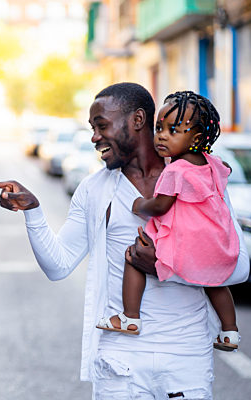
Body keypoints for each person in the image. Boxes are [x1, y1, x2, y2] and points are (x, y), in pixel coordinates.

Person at [0, 82, 249, 399]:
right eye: (93, 128)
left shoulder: (199, 181)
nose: (94, 137)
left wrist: (164, 266)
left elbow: (239, 267)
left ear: (137, 120)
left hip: (185, 354)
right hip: (119, 359)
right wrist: (34, 212)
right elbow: (58, 266)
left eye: (102, 125)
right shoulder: (94, 190)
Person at [96, 91, 240, 352]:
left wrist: (139, 205)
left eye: (173, 130)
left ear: (195, 138)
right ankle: (230, 331)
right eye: (159, 128)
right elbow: (225, 172)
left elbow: (161, 206)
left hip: (185, 239)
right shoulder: (212, 164)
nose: (162, 135)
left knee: (133, 256)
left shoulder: (176, 170)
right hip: (215, 239)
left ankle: (130, 317)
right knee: (215, 283)